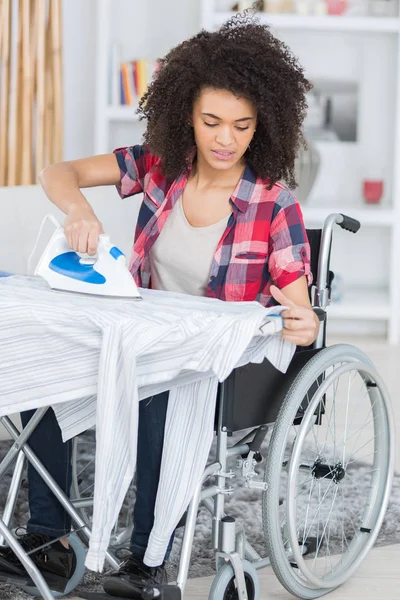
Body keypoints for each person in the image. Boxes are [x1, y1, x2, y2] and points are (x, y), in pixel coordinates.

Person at [0, 10, 319, 599]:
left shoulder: (273, 205)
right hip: (138, 330)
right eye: (211, 121)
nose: (225, 139)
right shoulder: (160, 166)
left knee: (158, 396)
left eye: (242, 126)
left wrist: (303, 321)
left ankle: (146, 560)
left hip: (201, 359)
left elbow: (297, 315)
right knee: (45, 366)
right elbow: (57, 170)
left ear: (263, 126)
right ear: (185, 114)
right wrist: (79, 210)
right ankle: (49, 540)